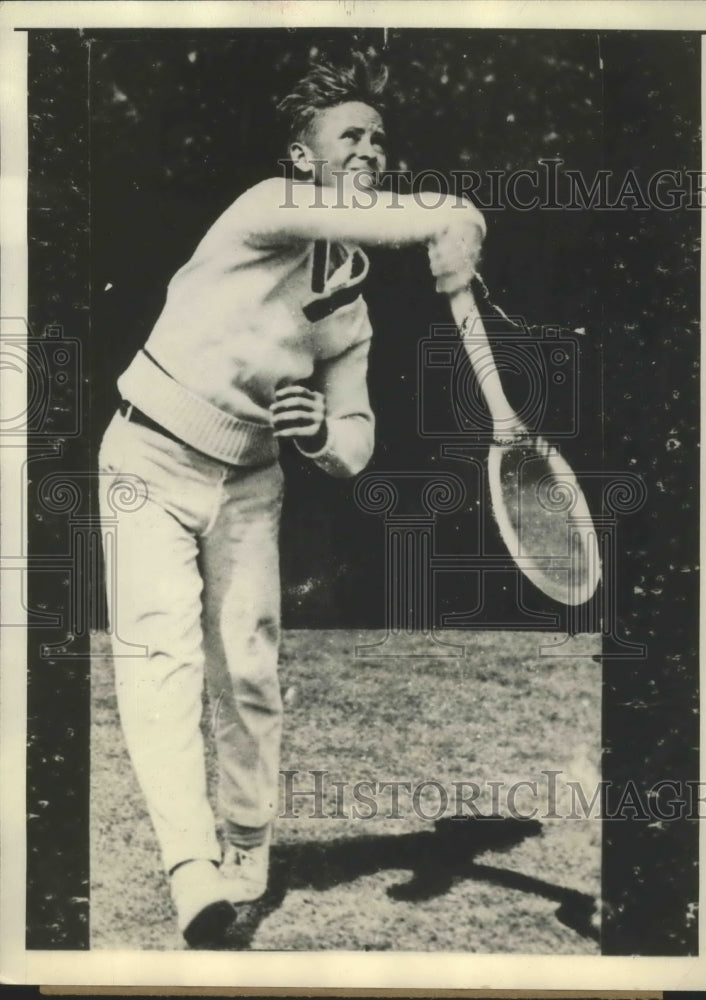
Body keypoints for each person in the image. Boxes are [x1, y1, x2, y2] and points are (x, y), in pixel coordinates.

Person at [98, 50, 485, 947]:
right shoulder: (265, 206)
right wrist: (456, 212)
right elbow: (406, 216)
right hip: (147, 458)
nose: (370, 151)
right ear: (302, 156)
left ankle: (246, 845)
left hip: (248, 482)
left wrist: (318, 434)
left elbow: (355, 441)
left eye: (380, 140)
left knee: (248, 667)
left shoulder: (349, 299)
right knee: (159, 662)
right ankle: (189, 869)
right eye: (350, 134)